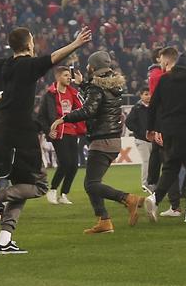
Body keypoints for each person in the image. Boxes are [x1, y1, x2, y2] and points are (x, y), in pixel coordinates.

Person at [0, 26, 92, 255]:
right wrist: (76, 44)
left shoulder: (0, 65)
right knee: (40, 185)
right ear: (28, 44)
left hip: (1, 131)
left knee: (21, 187)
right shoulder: (29, 65)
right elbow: (55, 57)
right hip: (21, 133)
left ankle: (4, 240)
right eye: (32, 40)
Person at [51, 50, 144, 234]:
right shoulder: (113, 86)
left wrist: (64, 118)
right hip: (113, 139)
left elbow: (89, 110)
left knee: (91, 184)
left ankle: (127, 199)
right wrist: (83, 85)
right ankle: (104, 220)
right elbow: (99, 99)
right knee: (94, 183)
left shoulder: (96, 87)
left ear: (93, 67)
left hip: (102, 139)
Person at [145, 50, 186, 223]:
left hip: (168, 130)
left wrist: (151, 128)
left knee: (171, 166)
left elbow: (153, 105)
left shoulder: (164, 79)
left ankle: (155, 198)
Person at [41, 65, 85, 205]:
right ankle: (53, 190)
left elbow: (83, 107)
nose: (69, 78)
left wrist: (81, 84)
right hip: (59, 133)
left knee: (74, 165)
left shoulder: (73, 93)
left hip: (72, 131)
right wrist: (48, 130)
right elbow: (41, 117)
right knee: (65, 163)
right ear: (58, 77)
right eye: (66, 75)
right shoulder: (49, 94)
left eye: (69, 76)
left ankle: (64, 194)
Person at [128, 87, 155, 192]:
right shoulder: (137, 108)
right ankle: (145, 183)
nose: (148, 96)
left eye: (150, 94)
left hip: (154, 139)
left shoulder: (154, 107)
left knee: (153, 162)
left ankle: (153, 182)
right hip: (141, 140)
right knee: (146, 161)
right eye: (146, 94)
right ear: (141, 95)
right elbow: (128, 122)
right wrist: (140, 131)